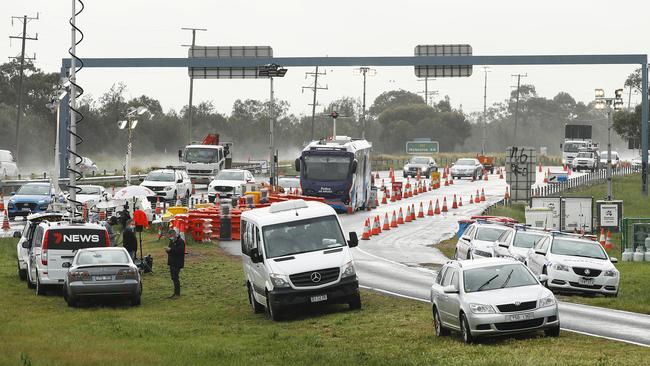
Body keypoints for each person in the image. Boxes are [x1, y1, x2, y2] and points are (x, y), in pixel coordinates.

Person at [165, 229, 185, 298]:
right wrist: (168, 250)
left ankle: (177, 294)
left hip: (177, 262)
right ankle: (175, 293)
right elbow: (170, 250)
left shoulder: (180, 242)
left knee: (175, 277)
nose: (170, 237)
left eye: (170, 235)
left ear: (174, 234)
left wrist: (170, 250)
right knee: (173, 277)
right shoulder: (171, 241)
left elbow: (179, 251)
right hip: (172, 262)